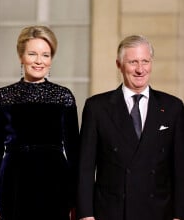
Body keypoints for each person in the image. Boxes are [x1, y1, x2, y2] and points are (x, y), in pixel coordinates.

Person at [77, 35, 184, 220]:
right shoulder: (97, 107)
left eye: (145, 61)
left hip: (159, 212)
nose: (140, 69)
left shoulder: (173, 107)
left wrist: (179, 215)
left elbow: (180, 167)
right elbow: (85, 168)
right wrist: (86, 215)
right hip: (112, 212)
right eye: (133, 62)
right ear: (119, 65)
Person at [0, 26, 79, 220]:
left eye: (45, 55)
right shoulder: (3, 97)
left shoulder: (64, 97)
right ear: (21, 56)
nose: (39, 61)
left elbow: (75, 153)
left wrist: (78, 202)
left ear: (51, 59)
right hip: (14, 183)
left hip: (55, 182)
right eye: (32, 54)